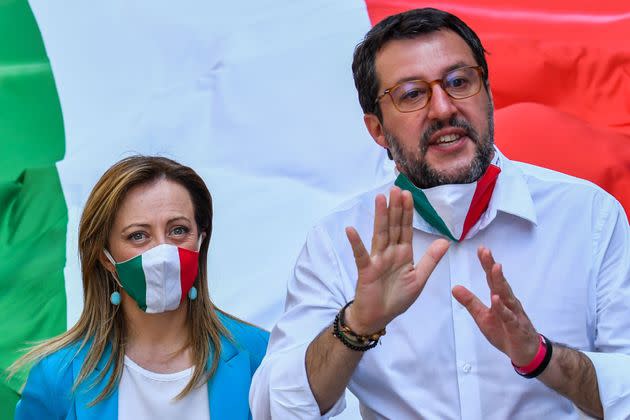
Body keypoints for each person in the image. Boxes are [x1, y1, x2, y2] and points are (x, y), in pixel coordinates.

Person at [249, 8, 630, 419]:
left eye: (459, 82)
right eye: (412, 94)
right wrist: (356, 325)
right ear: (377, 130)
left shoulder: (590, 217)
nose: (443, 108)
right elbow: (275, 408)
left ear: (487, 93)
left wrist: (541, 358)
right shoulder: (339, 240)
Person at [12, 156, 269, 419]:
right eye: (138, 235)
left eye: (178, 230)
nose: (163, 250)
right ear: (105, 256)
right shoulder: (57, 376)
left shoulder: (261, 357)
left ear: (201, 239)